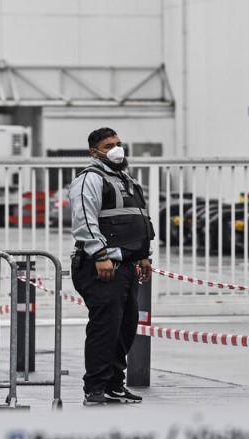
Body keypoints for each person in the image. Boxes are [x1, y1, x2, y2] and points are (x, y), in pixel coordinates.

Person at [69, 127, 154, 406]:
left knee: (125, 327)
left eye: (118, 143)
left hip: (126, 265)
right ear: (94, 152)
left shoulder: (126, 180)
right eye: (108, 146)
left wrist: (143, 255)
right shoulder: (90, 179)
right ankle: (95, 387)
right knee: (105, 328)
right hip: (102, 266)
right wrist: (100, 254)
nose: (116, 149)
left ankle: (114, 385)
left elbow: (138, 219)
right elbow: (84, 220)